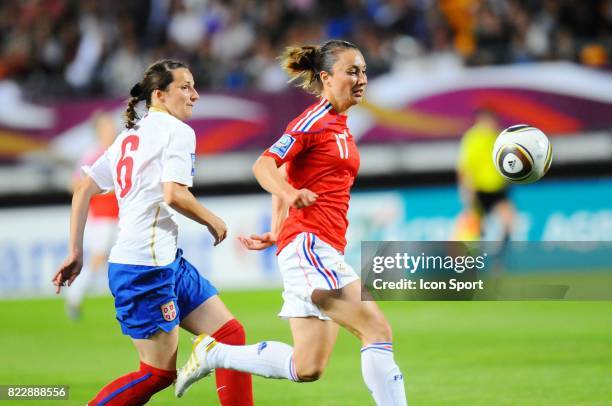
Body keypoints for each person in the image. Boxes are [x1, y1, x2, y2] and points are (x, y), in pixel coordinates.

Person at [175, 40, 407, 406]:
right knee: (376, 329)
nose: (361, 79)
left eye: (363, 70)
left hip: (315, 246)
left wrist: (277, 227)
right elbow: (265, 165)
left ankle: (214, 354)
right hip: (310, 246)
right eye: (352, 71)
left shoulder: (341, 126)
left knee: (308, 365)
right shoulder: (313, 121)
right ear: (327, 78)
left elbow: (286, 170)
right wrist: (288, 196)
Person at [52, 59, 253, 406]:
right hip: (144, 269)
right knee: (158, 373)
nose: (195, 95)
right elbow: (173, 193)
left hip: (165, 261)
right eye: (185, 87)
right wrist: (212, 220)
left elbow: (83, 188)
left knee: (230, 334)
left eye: (194, 86)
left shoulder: (129, 136)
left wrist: (76, 252)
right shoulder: (177, 132)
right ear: (159, 95)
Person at [65, 112, 119, 320]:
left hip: (120, 216)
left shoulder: (117, 150)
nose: (111, 130)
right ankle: (74, 296)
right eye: (106, 128)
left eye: (111, 126)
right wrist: (102, 191)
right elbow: (75, 186)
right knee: (98, 258)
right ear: (98, 131)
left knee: (114, 259)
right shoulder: (92, 155)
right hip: (103, 217)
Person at [453, 107, 516, 241]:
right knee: (474, 227)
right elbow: (464, 167)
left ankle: (500, 255)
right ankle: (465, 256)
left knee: (508, 220)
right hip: (478, 190)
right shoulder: (472, 139)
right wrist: (466, 190)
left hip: (497, 188)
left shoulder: (500, 137)